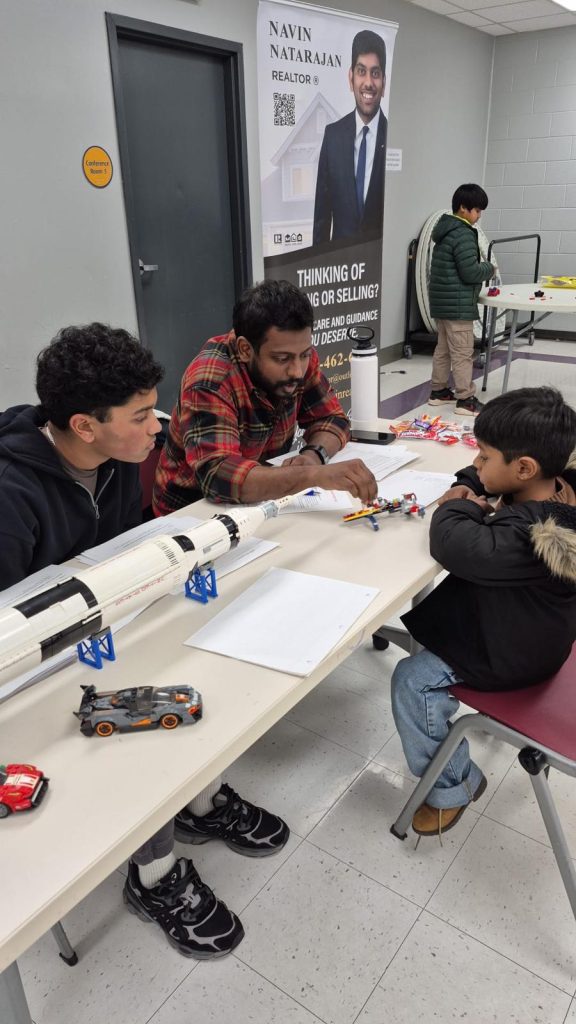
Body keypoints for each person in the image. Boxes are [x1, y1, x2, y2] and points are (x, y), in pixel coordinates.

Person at [0, 323, 289, 959]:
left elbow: (120, 551)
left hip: (106, 628)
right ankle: (154, 878)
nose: (159, 426)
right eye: (140, 416)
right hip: (33, 671)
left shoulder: (114, 462)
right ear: (84, 426)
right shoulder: (10, 497)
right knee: (135, 734)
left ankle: (199, 802)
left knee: (198, 680)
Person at [391, 387, 576, 837]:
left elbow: (457, 545)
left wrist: (457, 506)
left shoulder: (536, 538)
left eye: (484, 456)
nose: (476, 462)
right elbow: (488, 482)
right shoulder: (554, 484)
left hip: (516, 652)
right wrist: (473, 484)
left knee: (411, 681)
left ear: (524, 468)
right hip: (531, 625)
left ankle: (454, 786)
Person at [153, 279, 377, 514]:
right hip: (191, 513)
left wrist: (314, 455)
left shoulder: (296, 358)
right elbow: (219, 476)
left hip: (260, 498)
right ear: (245, 349)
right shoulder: (211, 380)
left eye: (304, 355)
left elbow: (332, 419)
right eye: (281, 359)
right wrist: (311, 476)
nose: (297, 371)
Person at [313, 30, 387, 245]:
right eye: (361, 71)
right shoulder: (333, 136)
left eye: (375, 73)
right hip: (340, 260)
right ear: (351, 77)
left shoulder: (394, 138)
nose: (368, 82)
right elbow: (322, 216)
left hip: (379, 259)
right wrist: (318, 259)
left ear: (384, 82)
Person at [428, 183, 495, 417]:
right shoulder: (463, 233)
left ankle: (438, 391)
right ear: (463, 208)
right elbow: (470, 272)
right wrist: (489, 268)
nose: (479, 216)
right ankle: (465, 399)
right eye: (477, 210)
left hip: (442, 304)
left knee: (443, 350)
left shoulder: (445, 230)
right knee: (462, 353)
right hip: (457, 306)